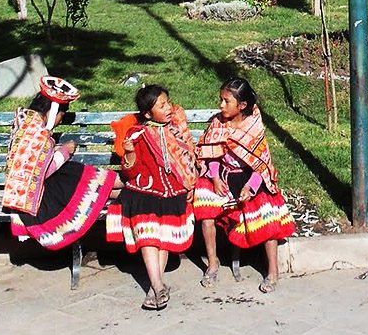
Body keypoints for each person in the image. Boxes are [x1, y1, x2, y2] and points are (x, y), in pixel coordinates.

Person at [194, 77, 295, 293]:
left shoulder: (253, 127)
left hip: (249, 179)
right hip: (222, 176)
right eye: (220, 100)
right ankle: (213, 263)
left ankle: (273, 270)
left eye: (226, 101)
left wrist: (250, 186)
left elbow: (262, 164)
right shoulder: (217, 123)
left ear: (242, 106)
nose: (221, 105)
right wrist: (215, 177)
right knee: (206, 212)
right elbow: (210, 153)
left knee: (266, 215)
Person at [2, 76, 120, 250]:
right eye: (60, 116)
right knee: (77, 175)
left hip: (26, 194)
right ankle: (131, 186)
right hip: (38, 203)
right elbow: (44, 171)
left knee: (75, 173)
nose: (59, 121)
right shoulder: (39, 135)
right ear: (52, 111)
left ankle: (127, 187)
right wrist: (65, 151)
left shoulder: (24, 122)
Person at [106, 85, 197, 311]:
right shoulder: (137, 135)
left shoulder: (176, 128)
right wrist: (129, 153)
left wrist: (190, 184)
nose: (168, 108)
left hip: (173, 190)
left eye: (168, 103)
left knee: (162, 231)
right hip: (145, 190)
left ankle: (153, 289)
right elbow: (130, 172)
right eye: (162, 106)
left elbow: (188, 159)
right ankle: (157, 285)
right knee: (148, 229)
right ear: (147, 114)